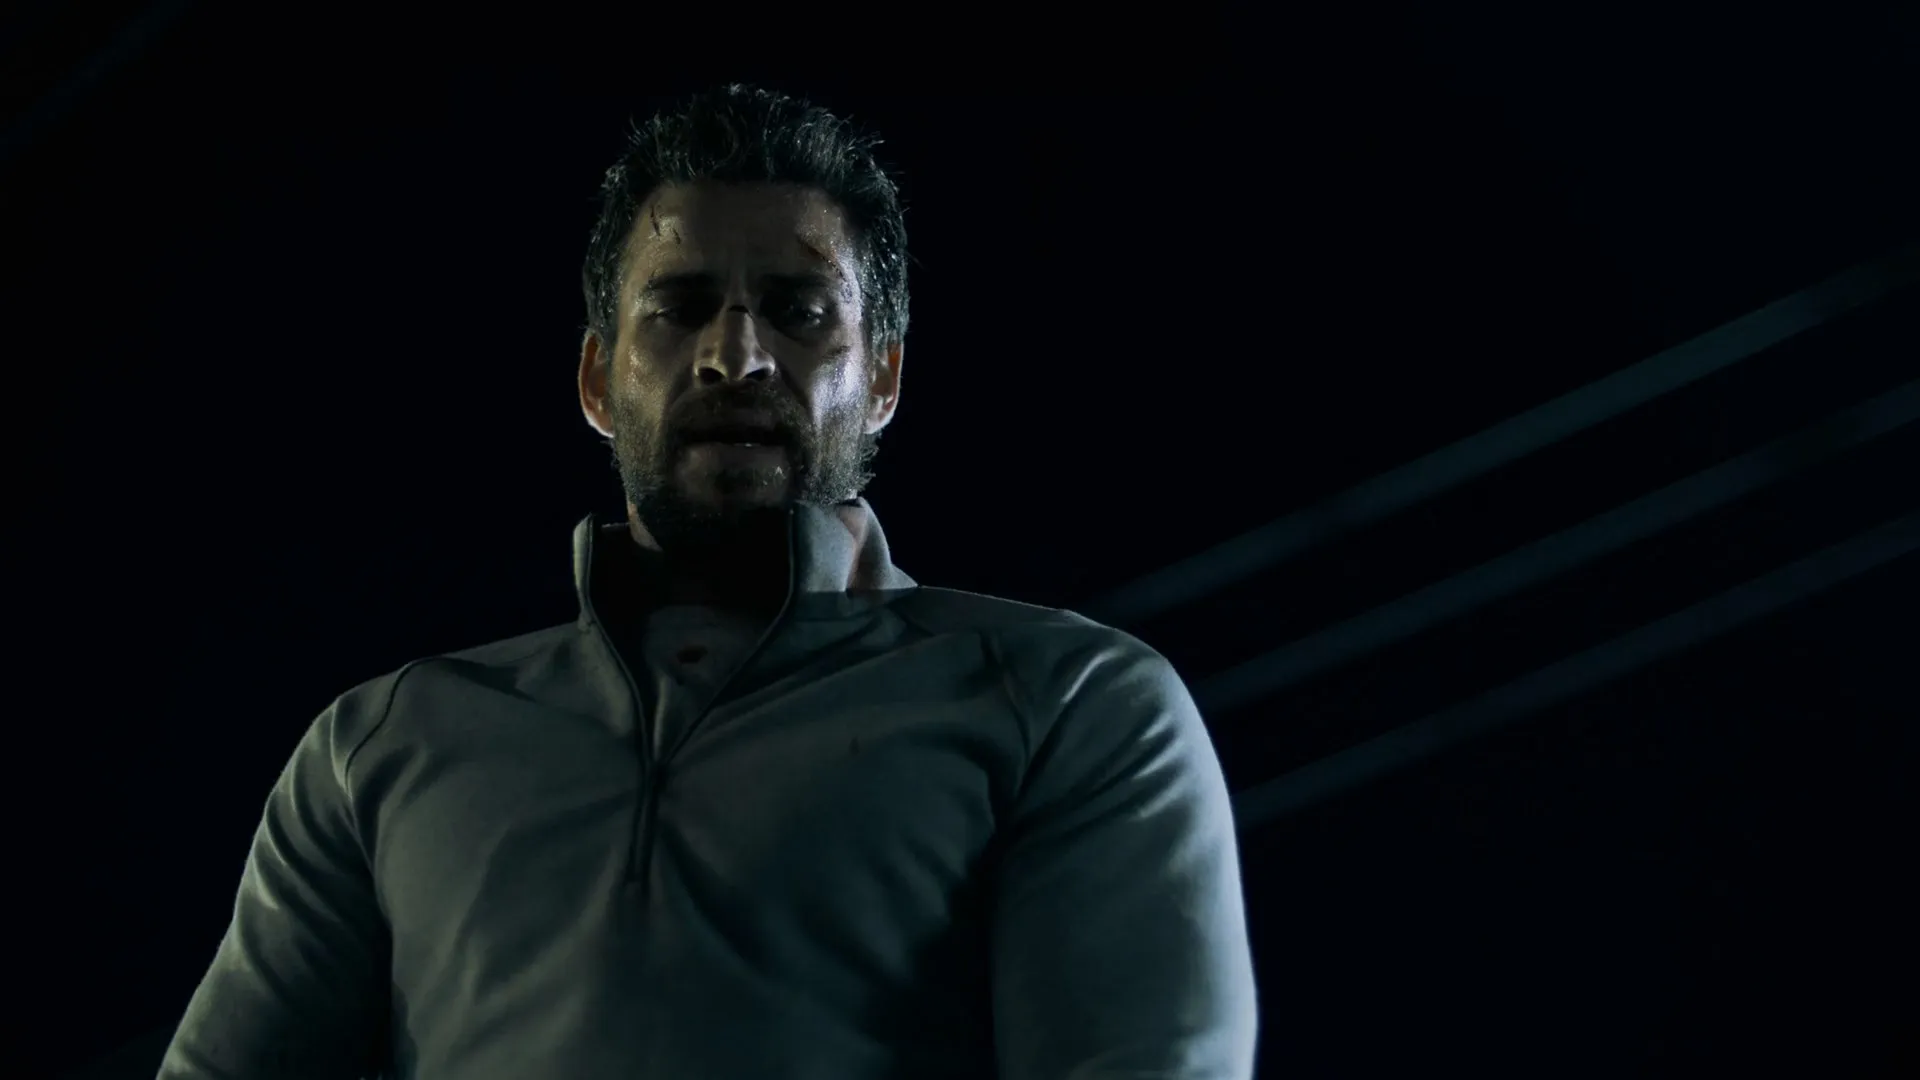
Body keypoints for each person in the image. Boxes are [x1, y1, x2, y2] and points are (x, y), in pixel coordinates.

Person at [158, 84, 1259, 1080]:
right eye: (680, 308)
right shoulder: (377, 750)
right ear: (599, 378)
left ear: (883, 377)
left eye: (799, 309)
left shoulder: (1072, 705)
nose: (736, 355)